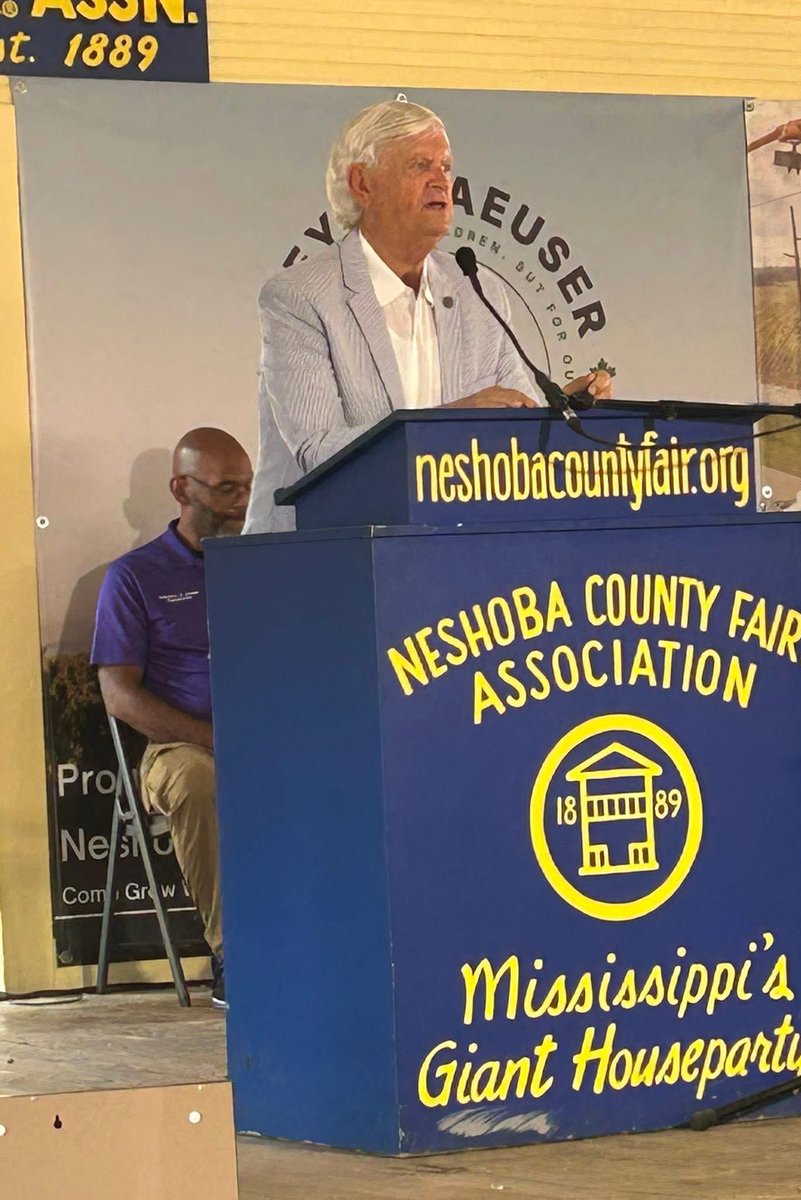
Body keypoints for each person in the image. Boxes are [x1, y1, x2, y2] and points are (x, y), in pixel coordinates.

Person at [244, 98, 612, 534]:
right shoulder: (300, 298)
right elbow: (319, 451)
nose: (441, 181)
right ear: (363, 184)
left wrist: (560, 415)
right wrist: (451, 420)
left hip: (444, 551)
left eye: (446, 167)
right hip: (320, 555)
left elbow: (512, 440)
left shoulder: (479, 291)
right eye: (420, 166)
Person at [92, 427, 253, 1008]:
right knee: (200, 781)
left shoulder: (267, 560)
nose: (241, 502)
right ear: (180, 489)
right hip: (178, 749)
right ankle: (235, 956)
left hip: (271, 736)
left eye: (248, 489)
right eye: (226, 489)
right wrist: (214, 739)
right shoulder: (134, 576)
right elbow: (119, 696)